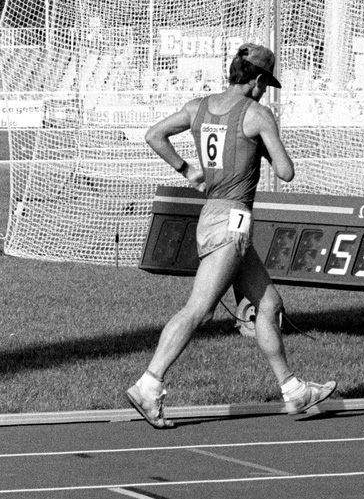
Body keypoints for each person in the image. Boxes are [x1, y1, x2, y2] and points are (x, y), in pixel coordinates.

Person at [126, 43, 337, 429]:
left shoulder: (198, 107)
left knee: (269, 303)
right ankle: (149, 384)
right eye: (264, 84)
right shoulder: (257, 114)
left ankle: (293, 391)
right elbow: (287, 171)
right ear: (256, 80)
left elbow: (155, 134)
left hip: (212, 214)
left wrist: (188, 170)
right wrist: (268, 146)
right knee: (199, 308)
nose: (264, 91)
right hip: (234, 219)